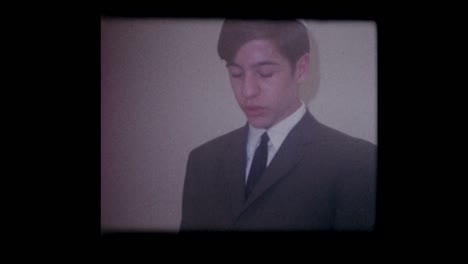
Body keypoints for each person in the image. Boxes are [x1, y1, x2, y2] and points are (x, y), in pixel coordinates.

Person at [180, 19, 376, 231]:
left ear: (301, 69)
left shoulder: (356, 162)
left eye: (265, 73)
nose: (247, 91)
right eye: (236, 73)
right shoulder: (202, 161)